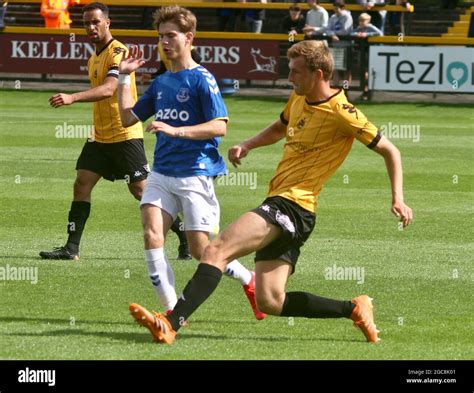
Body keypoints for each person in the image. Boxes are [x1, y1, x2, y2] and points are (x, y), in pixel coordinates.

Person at [128, 39, 414, 345]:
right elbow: (281, 126)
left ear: (318, 74)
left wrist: (397, 198)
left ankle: (170, 323)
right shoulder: (298, 97)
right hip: (292, 210)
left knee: (215, 250)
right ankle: (354, 308)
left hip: (292, 205)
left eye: (296, 72)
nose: (289, 78)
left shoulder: (343, 112)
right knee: (270, 301)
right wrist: (249, 144)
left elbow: (390, 150)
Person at [117, 6, 266, 320]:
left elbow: (219, 126)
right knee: (151, 235)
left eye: (171, 35)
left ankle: (249, 280)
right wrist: (123, 78)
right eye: (160, 37)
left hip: (195, 175)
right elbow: (127, 117)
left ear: (189, 38)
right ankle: (171, 314)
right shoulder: (160, 83)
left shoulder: (203, 79)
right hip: (160, 173)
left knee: (202, 251)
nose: (165, 42)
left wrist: (176, 130)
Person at [39, 2, 190, 261]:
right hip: (99, 135)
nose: (90, 27)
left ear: (107, 22)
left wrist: (72, 97)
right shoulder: (93, 57)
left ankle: (185, 236)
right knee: (81, 184)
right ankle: (71, 248)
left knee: (142, 192)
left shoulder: (118, 51)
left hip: (124, 133)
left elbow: (109, 89)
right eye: (86, 23)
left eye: (96, 22)